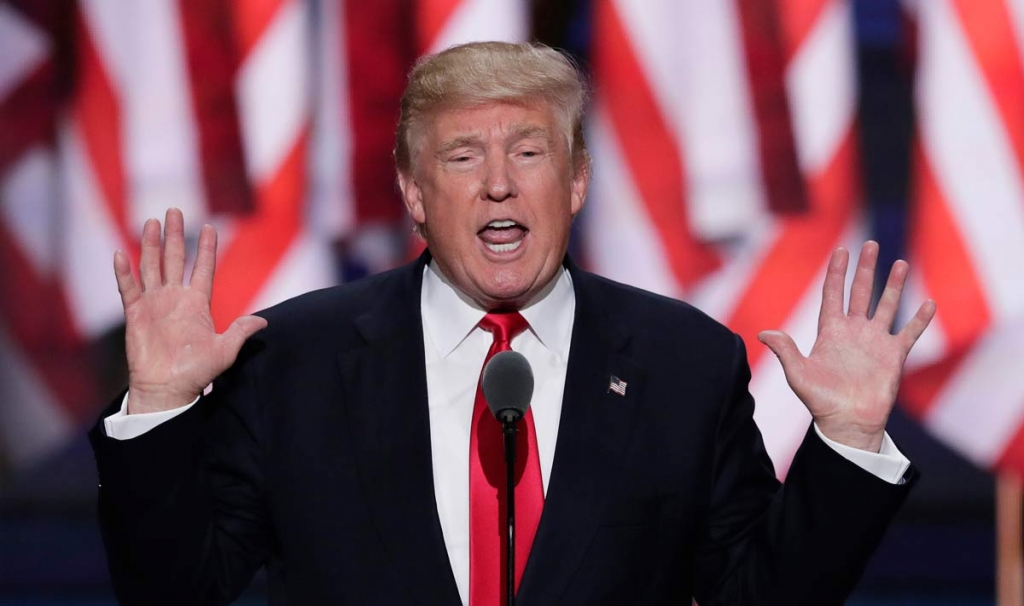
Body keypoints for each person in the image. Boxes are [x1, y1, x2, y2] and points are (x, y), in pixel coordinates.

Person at [90, 42, 935, 606]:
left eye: (529, 152)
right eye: (463, 157)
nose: (500, 184)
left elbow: (758, 596)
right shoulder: (296, 359)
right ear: (415, 196)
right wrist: (162, 405)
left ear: (574, 182)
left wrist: (848, 442)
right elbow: (177, 592)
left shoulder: (685, 363)